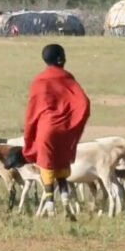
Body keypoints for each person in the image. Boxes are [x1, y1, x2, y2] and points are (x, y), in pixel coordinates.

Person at [22, 43, 90, 218]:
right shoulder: (67, 78)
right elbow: (83, 102)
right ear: (61, 59)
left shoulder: (39, 81)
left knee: (47, 165)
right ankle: (66, 201)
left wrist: (30, 136)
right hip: (64, 129)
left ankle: (50, 205)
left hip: (46, 129)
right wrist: (72, 124)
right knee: (61, 167)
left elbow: (31, 112)